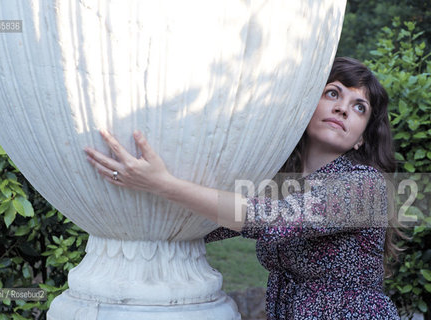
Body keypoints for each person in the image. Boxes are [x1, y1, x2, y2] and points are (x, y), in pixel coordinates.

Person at [84, 57, 400, 319]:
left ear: (361, 138)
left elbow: (269, 219)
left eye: (359, 107)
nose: (343, 108)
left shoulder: (365, 186)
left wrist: (163, 183)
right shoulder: (281, 184)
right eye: (333, 93)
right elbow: (206, 226)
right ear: (306, 106)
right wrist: (135, 202)